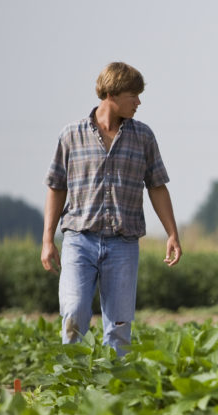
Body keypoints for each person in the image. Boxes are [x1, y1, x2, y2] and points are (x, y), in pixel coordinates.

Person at [41, 62, 182, 357]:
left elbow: (157, 186)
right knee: (74, 314)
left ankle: (115, 390)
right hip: (79, 240)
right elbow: (56, 187)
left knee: (119, 326)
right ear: (112, 93)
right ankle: (73, 385)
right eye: (134, 94)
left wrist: (172, 233)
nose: (139, 102)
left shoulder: (143, 137)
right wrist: (47, 241)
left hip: (123, 243)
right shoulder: (71, 135)